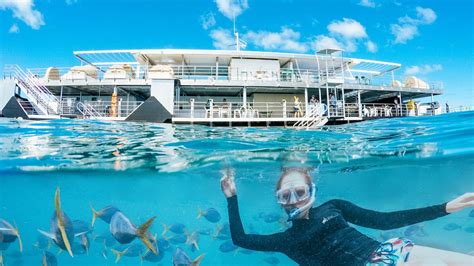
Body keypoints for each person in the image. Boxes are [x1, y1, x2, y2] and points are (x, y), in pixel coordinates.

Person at [220, 169, 474, 266]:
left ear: (312, 192)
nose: (294, 200)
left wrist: (445, 207)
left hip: (388, 251)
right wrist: (232, 197)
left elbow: (383, 221)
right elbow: (240, 238)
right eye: (285, 196)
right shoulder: (287, 240)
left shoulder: (334, 206)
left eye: (299, 192)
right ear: (279, 200)